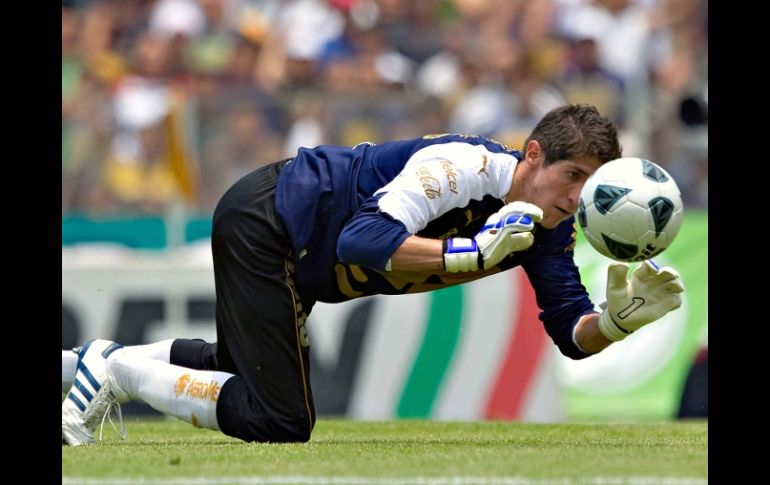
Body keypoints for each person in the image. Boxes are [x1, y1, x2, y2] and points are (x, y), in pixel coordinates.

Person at [61, 104, 684, 445]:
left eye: (589, 184)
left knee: (241, 365)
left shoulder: (548, 228)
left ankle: (90, 360)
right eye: (571, 176)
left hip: (296, 247)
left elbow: (568, 333)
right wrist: (470, 253)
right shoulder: (461, 167)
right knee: (281, 418)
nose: (576, 197)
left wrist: (615, 323)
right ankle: (116, 373)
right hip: (274, 219)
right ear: (533, 156)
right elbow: (363, 240)